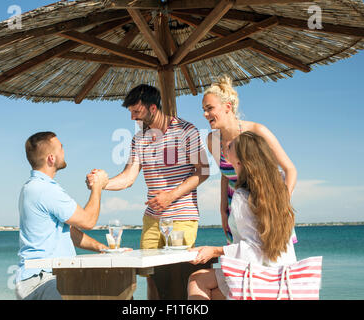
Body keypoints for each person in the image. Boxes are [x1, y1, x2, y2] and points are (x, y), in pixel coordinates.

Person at [87, 84, 210, 299]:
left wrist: (171, 195)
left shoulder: (186, 130)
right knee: (151, 278)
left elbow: (203, 171)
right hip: (152, 219)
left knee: (178, 276)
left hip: (181, 217)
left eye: (136, 112)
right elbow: (128, 177)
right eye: (131, 112)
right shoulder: (138, 140)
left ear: (152, 108)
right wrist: (102, 183)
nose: (133, 118)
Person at [187, 131, 297, 300]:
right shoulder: (279, 184)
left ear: (239, 161)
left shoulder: (243, 197)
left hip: (259, 279)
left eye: (230, 147)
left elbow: (254, 250)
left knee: (197, 280)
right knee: (211, 288)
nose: (225, 148)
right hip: (283, 278)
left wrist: (214, 251)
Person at [202, 76, 297, 243]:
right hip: (237, 212)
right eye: (203, 109)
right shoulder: (212, 140)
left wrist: (282, 204)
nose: (205, 114)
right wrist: (224, 212)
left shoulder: (257, 131)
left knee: (272, 262)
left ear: (227, 107)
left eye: (209, 108)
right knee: (241, 263)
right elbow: (226, 175)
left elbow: (290, 170)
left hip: (268, 208)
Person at [15, 131, 109, 300]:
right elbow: (88, 221)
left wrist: (102, 248)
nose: (64, 151)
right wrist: (98, 186)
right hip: (45, 279)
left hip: (36, 278)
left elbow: (67, 231)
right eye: (61, 148)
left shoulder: (32, 187)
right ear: (51, 158)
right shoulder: (45, 190)